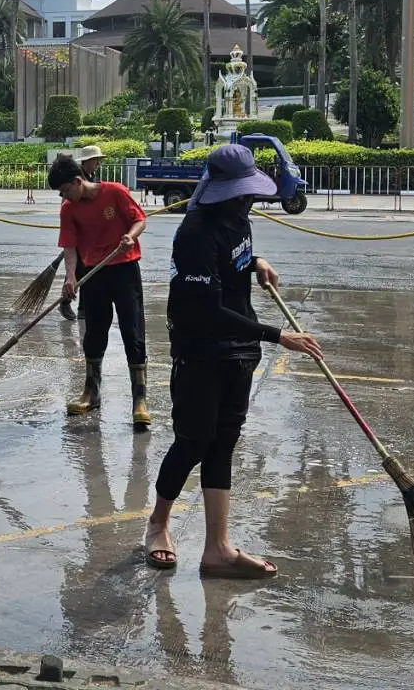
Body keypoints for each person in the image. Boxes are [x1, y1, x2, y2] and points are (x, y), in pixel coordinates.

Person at [143, 145, 323, 577]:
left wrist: (256, 262)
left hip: (239, 352)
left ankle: (218, 549)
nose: (249, 200)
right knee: (193, 442)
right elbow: (205, 309)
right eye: (242, 194)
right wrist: (278, 335)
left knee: (222, 443)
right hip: (201, 352)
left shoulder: (237, 217)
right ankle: (158, 524)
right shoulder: (195, 233)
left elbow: (231, 262)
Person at [50, 154, 150, 428]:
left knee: (133, 331)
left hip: (125, 270)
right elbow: (69, 246)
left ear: (77, 181)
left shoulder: (115, 192)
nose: (64, 196)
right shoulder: (68, 209)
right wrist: (70, 277)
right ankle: (91, 392)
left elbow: (140, 220)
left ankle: (139, 399)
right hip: (93, 274)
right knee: (94, 333)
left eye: (65, 190)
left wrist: (131, 236)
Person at [59, 145, 106, 322]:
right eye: (95, 161)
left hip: (90, 234)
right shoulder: (74, 179)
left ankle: (83, 309)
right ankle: (66, 302)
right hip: (78, 231)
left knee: (87, 269)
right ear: (86, 161)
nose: (98, 164)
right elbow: (66, 204)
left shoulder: (92, 178)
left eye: (99, 161)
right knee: (78, 270)